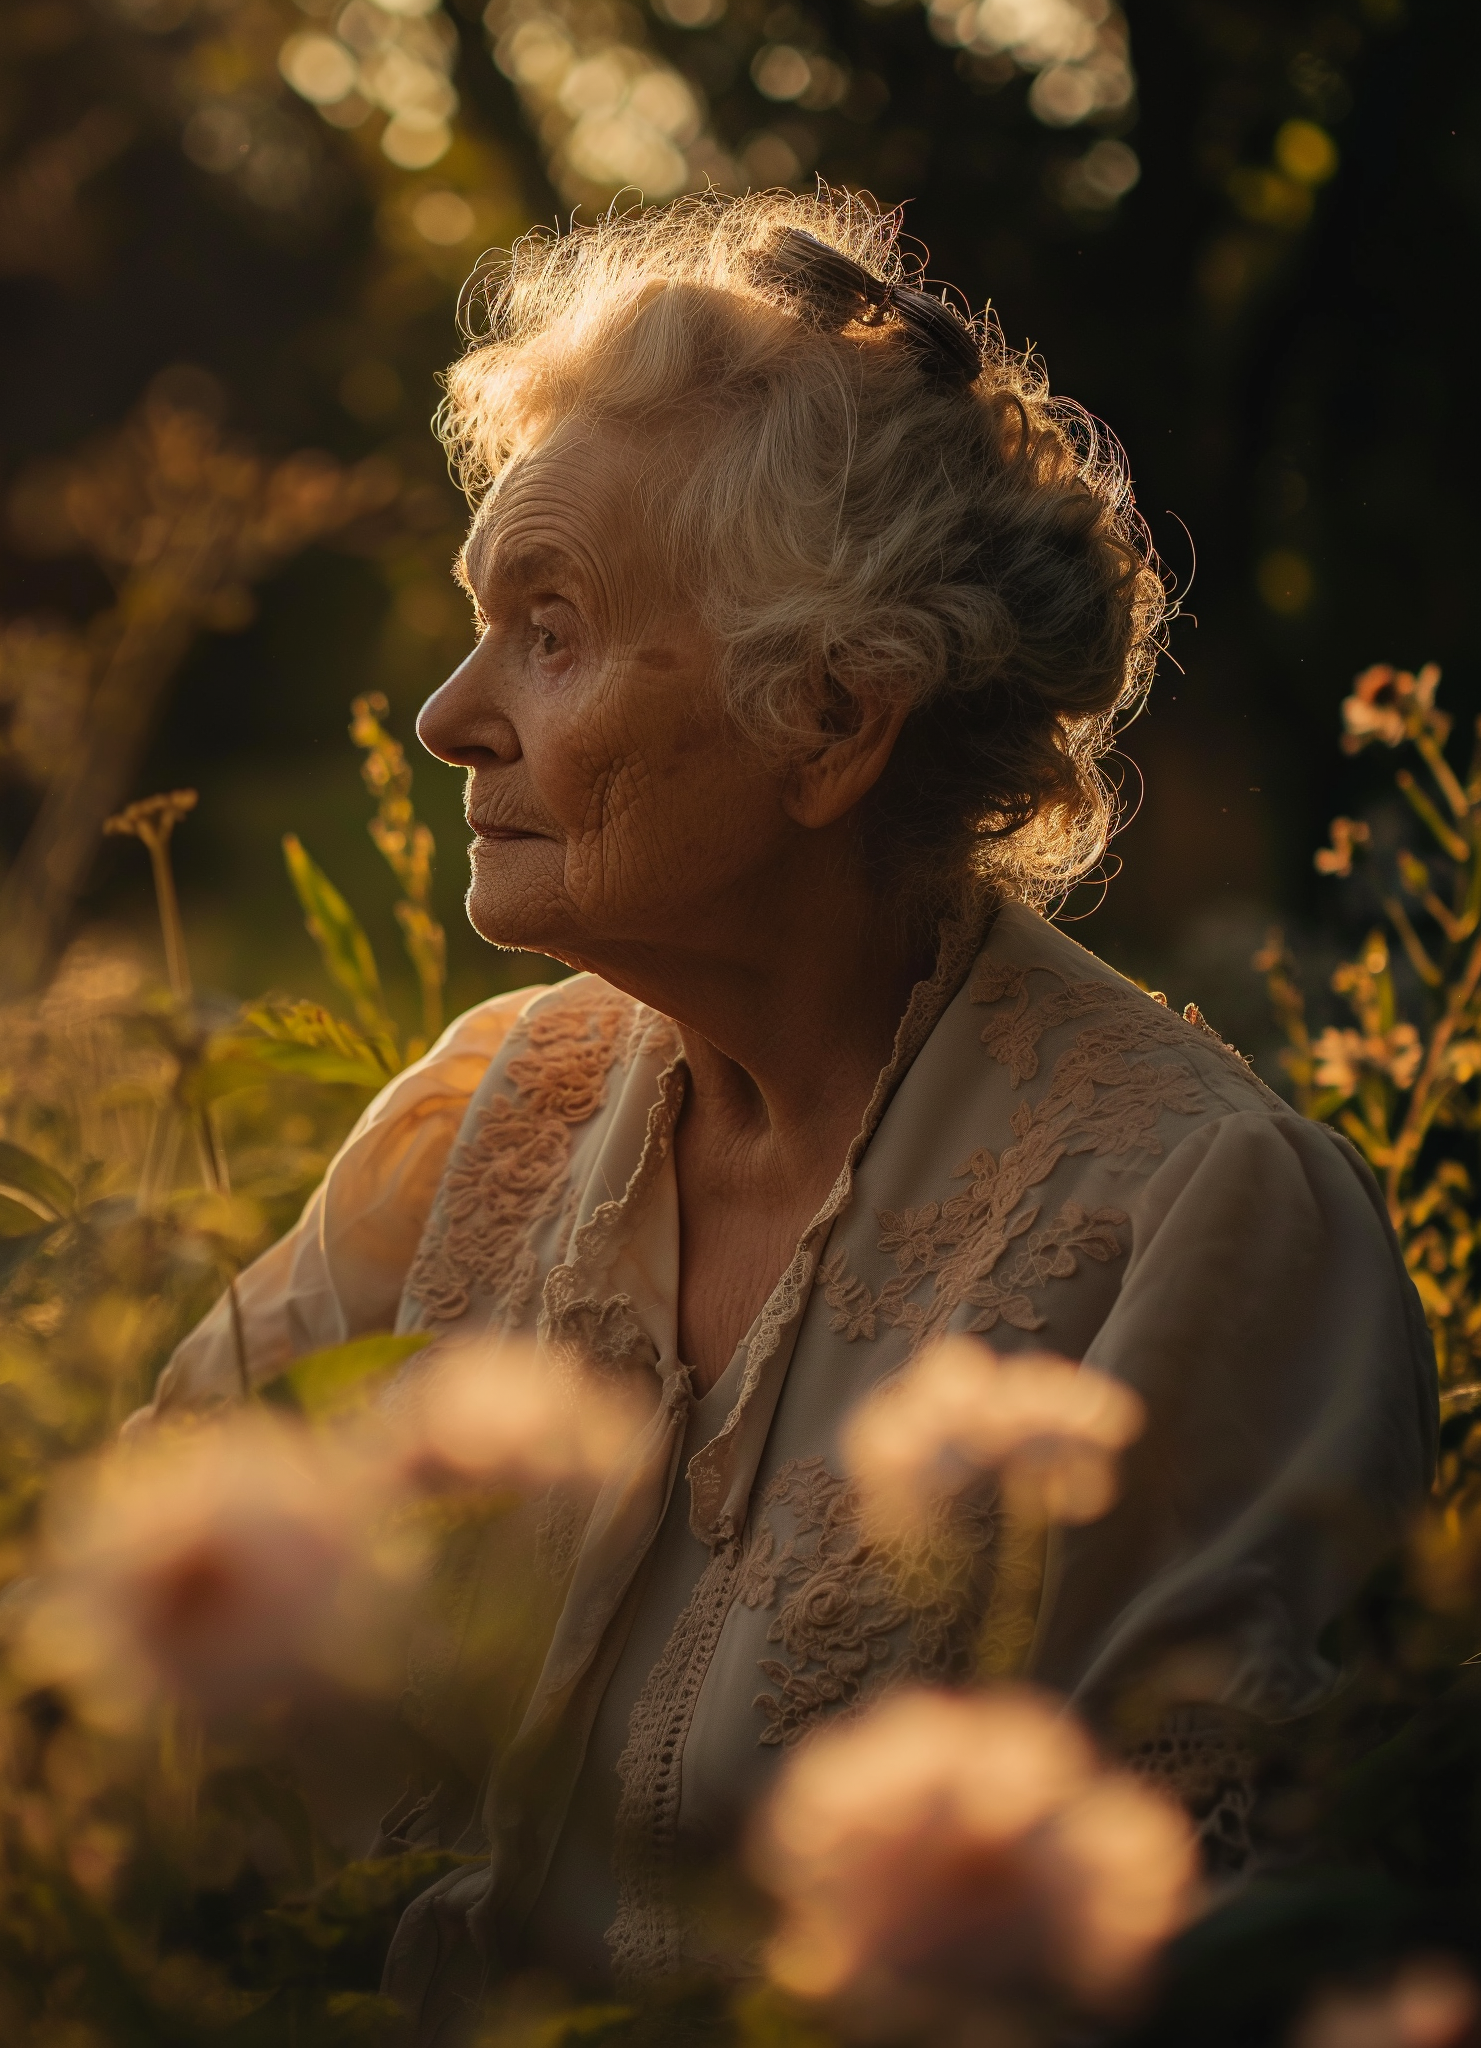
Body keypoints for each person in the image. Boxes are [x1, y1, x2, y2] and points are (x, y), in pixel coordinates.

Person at [125, 189, 1435, 2031]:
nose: (446, 716)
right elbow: (94, 1663)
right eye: (480, 625)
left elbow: (1177, 1973)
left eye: (551, 630)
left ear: (833, 716)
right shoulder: (477, 1118)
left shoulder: (1199, 1226)